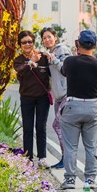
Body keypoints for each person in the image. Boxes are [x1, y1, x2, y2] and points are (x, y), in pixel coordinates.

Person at [59, 29, 97, 190]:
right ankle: (89, 179)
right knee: (92, 146)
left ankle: (70, 179)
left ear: (77, 44)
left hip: (73, 106)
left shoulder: (70, 62)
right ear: (94, 46)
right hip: (93, 106)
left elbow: (64, 72)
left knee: (71, 146)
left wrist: (75, 52)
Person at [13, 30, 51, 165]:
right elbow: (20, 71)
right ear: (20, 45)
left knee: (41, 127)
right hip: (26, 97)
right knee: (27, 128)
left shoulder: (43, 57)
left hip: (42, 97)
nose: (27, 44)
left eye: (30, 41)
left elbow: (51, 73)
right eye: (24, 42)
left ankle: (42, 158)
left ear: (34, 42)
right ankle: (28, 158)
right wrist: (31, 62)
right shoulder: (18, 60)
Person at [40, 27, 69, 169]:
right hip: (58, 96)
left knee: (57, 125)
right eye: (44, 38)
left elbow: (66, 69)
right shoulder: (49, 53)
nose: (47, 40)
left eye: (49, 37)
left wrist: (54, 59)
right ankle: (66, 158)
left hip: (67, 95)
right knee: (61, 126)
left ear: (55, 37)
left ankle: (67, 158)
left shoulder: (61, 49)